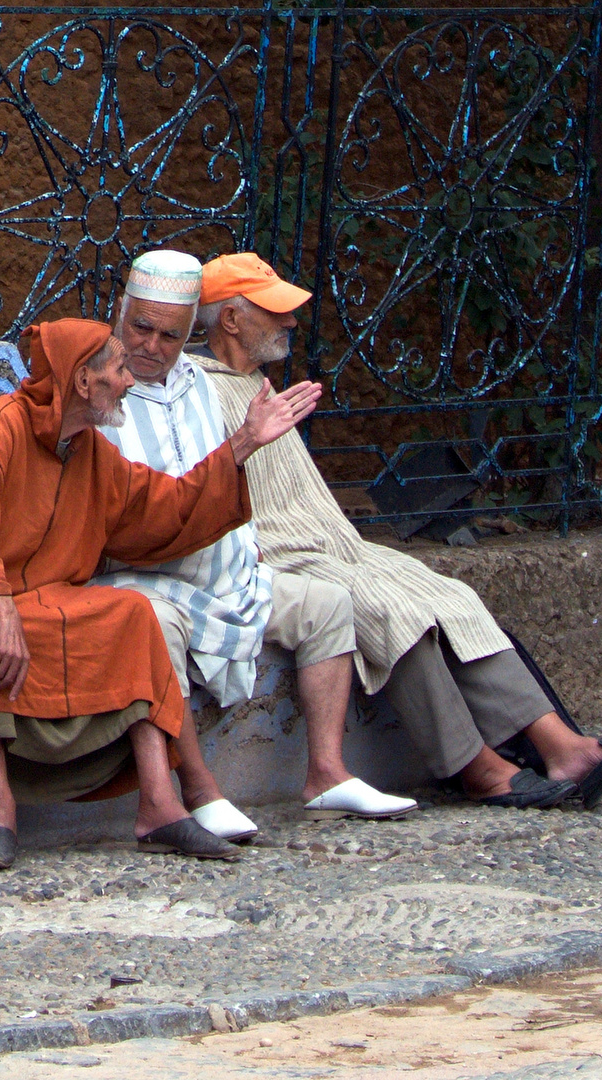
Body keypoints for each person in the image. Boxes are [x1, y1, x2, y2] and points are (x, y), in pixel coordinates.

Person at [193, 251, 602, 809]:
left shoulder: (258, 383)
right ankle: (477, 768)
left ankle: (564, 747)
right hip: (277, 554)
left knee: (450, 594)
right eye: (276, 312)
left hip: (335, 543)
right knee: (392, 611)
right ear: (230, 319)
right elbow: (194, 489)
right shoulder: (194, 387)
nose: (291, 322)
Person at [0, 317, 323, 868]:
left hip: (33, 594)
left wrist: (243, 442)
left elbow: (164, 508)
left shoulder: (90, 450)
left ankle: (158, 804)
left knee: (133, 613)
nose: (131, 380)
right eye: (121, 368)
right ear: (84, 382)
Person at [94, 250, 420, 832]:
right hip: (139, 572)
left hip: (221, 571)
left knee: (326, 604)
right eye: (140, 327)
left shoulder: (199, 384)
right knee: (152, 623)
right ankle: (197, 789)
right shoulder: (98, 386)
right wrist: (243, 444)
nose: (151, 346)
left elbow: (224, 491)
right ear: (121, 317)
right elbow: (134, 513)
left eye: (170, 334)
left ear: (191, 329)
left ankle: (327, 774)